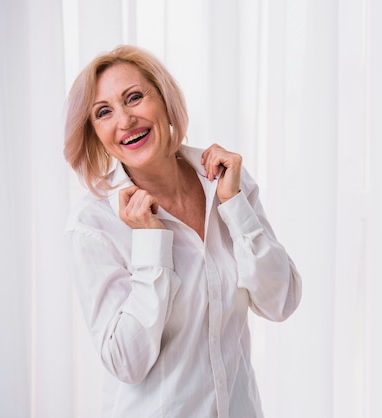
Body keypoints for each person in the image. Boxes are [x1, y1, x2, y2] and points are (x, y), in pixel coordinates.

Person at [63, 45, 302, 418]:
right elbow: (126, 361)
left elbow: (281, 301)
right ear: (95, 133)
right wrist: (150, 247)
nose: (125, 120)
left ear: (164, 98)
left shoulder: (226, 183)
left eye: (135, 97)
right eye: (104, 112)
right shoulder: (93, 224)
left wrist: (235, 206)